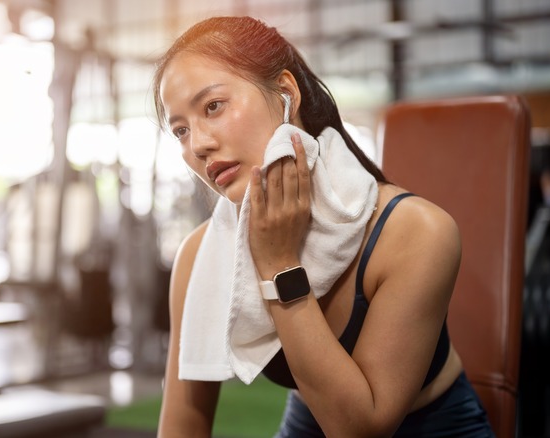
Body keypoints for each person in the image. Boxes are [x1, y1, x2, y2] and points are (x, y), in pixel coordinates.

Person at [152, 15, 495, 437]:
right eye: (181, 130)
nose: (199, 144)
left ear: (285, 92)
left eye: (213, 107)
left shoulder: (416, 232)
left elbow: (360, 430)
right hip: (309, 422)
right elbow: (184, 424)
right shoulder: (197, 258)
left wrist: (279, 263)